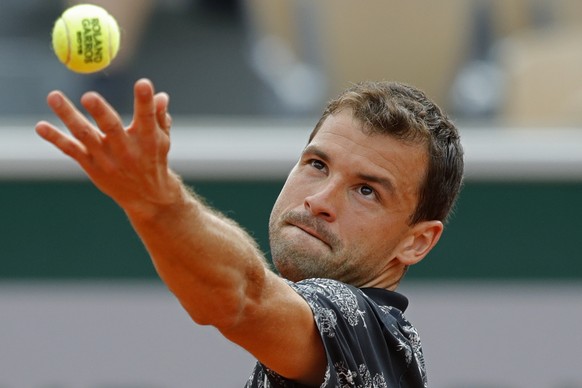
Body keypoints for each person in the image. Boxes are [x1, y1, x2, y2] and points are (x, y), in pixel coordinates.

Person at [35, 78, 464, 387]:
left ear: (416, 241)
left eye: (367, 190)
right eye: (317, 165)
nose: (320, 200)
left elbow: (242, 299)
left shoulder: (365, 327)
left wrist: (156, 200)